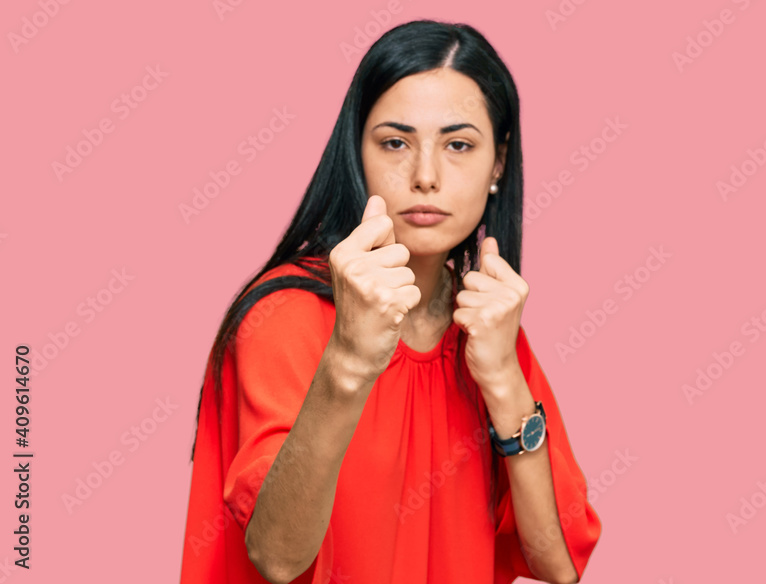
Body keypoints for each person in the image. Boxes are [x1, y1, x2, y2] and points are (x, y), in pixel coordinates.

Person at [179, 19, 601, 584]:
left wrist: (503, 378)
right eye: (396, 142)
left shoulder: (487, 324)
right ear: (357, 151)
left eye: (458, 145)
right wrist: (349, 359)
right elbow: (277, 557)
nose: (425, 176)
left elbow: (559, 563)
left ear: (498, 163)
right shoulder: (283, 315)